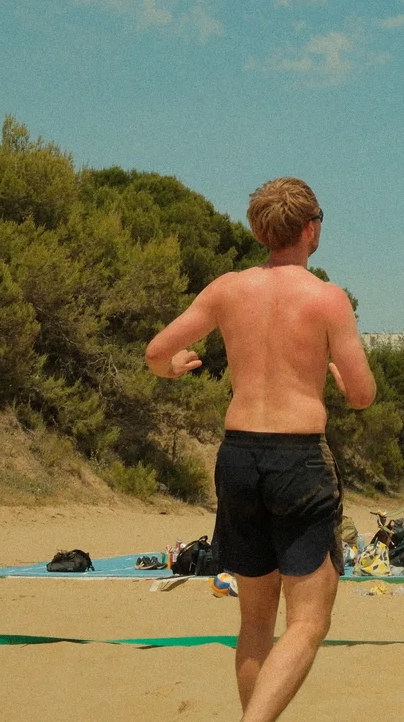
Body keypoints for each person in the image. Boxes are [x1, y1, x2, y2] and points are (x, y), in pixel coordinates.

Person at [146, 177, 376, 722]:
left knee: (254, 621)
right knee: (308, 621)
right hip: (298, 459)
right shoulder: (327, 297)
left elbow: (156, 351)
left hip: (238, 455)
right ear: (311, 229)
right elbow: (363, 395)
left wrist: (172, 368)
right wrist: (342, 381)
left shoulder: (228, 289)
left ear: (258, 231)